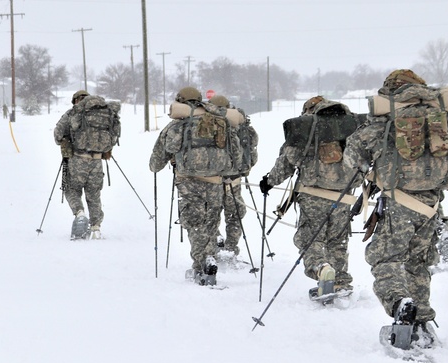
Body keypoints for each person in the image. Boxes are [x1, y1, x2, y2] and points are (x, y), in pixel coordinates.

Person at [343, 70, 448, 347]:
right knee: (418, 262)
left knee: (386, 259)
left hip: (398, 203)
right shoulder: (444, 116)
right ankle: (422, 319)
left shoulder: (388, 116)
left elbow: (353, 154)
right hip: (432, 203)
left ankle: (400, 303)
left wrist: (371, 169)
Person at [259, 96, 362, 298]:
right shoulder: (349, 126)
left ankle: (321, 268)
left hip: (313, 194)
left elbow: (287, 162)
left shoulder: (306, 128)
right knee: (337, 239)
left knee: (309, 238)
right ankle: (340, 280)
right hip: (344, 195)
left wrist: (269, 181)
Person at [149, 87, 241, 285]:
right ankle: (208, 256)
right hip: (216, 182)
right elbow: (237, 157)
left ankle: (202, 264)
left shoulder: (177, 126)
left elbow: (156, 162)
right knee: (210, 222)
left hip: (189, 182)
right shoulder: (221, 123)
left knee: (194, 224)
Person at [53, 89, 121, 239]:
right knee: (94, 194)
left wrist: (66, 140)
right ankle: (96, 228)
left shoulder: (73, 113)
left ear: (75, 100)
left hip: (77, 158)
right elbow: (114, 135)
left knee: (71, 188)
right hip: (97, 161)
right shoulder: (104, 113)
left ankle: (80, 213)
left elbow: (57, 134)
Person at [207, 94, 257, 258]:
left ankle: (213, 243)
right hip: (234, 178)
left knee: (211, 213)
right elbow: (252, 149)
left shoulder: (207, 123)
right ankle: (232, 246)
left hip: (212, 179)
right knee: (234, 214)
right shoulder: (240, 124)